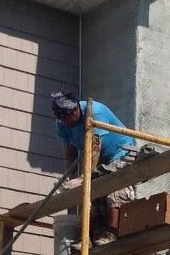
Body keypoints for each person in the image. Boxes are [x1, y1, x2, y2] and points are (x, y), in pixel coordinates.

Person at [51, 92, 135, 245]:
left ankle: (111, 233)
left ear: (76, 109)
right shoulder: (62, 124)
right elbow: (70, 153)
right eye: (66, 118)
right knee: (90, 195)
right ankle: (86, 237)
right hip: (99, 158)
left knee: (114, 188)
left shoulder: (96, 113)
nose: (72, 117)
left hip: (121, 152)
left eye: (74, 112)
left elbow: (95, 148)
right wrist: (71, 181)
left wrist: (84, 177)